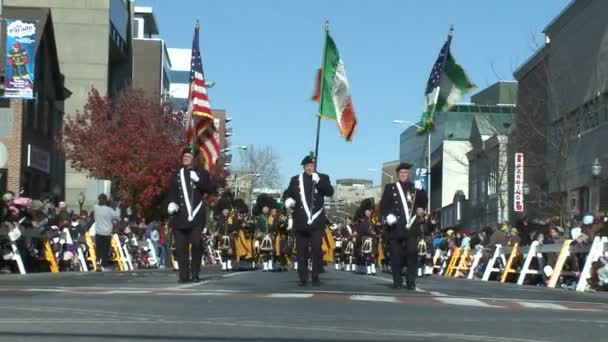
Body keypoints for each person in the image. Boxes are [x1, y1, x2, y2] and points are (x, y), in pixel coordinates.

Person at [166, 146, 217, 283]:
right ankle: (184, 275)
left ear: (194, 159)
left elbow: (210, 189)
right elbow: (171, 192)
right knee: (181, 248)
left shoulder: (202, 173)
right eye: (184, 156)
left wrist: (198, 181)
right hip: (180, 216)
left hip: (196, 216)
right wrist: (170, 203)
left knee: (196, 243)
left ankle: (195, 272)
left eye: (188, 156)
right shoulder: (177, 175)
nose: (185, 158)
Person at [283, 153, 334, 286]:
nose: (310, 168)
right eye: (308, 166)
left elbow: (330, 192)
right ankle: (303, 277)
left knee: (317, 248)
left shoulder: (322, 177)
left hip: (316, 221)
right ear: (304, 167)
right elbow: (287, 194)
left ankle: (316, 275)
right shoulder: (295, 180)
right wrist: (289, 200)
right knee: (301, 251)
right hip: (301, 221)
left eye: (312, 165)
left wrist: (319, 181)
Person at [380, 162, 427, 289]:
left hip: (411, 226)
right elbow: (383, 206)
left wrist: (422, 190)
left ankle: (411, 280)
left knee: (412, 253)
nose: (403, 175)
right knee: (395, 255)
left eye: (405, 172)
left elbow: (423, 203)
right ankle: (397, 280)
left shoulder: (415, 188)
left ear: (409, 174)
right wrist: (387, 216)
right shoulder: (391, 187)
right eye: (401, 173)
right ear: (397, 174)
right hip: (395, 226)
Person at [92, 194, 121, 271]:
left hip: (98, 232)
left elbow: (94, 203)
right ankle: (103, 265)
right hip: (107, 233)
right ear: (106, 200)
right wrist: (117, 207)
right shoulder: (109, 210)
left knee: (98, 249)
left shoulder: (96, 208)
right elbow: (117, 216)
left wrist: (98, 199)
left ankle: (98, 262)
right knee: (105, 250)